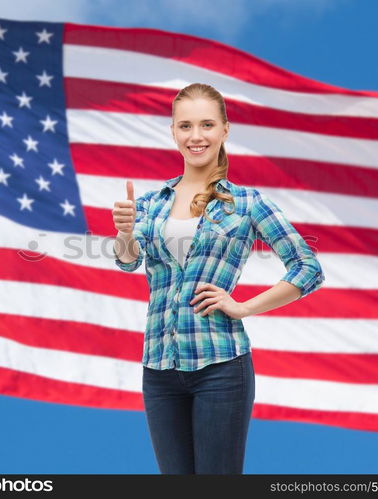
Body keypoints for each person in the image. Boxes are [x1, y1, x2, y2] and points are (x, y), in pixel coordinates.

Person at [112, 82, 325, 474]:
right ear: (173, 132)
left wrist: (242, 307)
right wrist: (125, 235)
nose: (196, 136)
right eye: (186, 126)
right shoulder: (149, 204)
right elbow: (128, 262)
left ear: (225, 130)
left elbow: (308, 268)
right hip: (159, 371)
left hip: (221, 367)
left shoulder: (247, 203)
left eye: (207, 125)